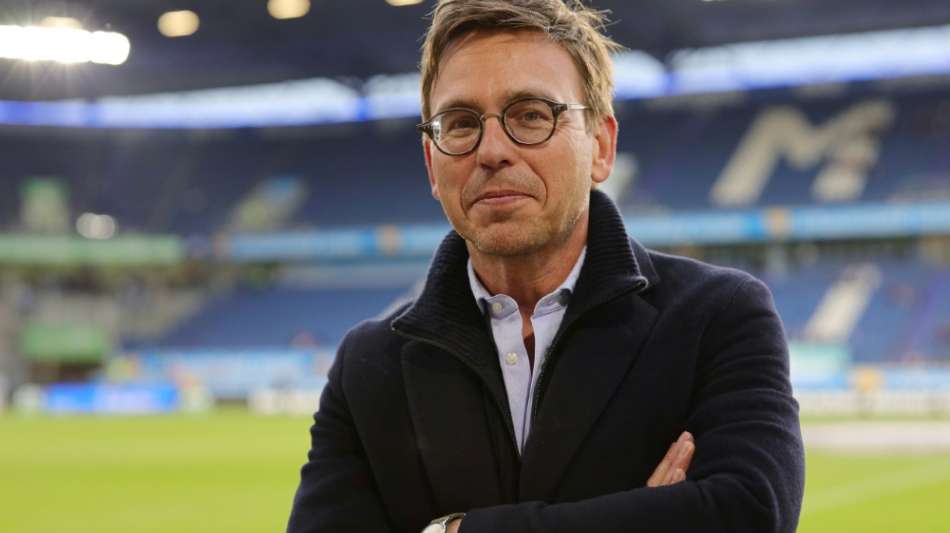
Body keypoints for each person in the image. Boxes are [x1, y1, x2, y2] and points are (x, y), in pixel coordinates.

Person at [287, 1, 805, 532]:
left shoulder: (717, 317)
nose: (492, 150)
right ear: (431, 166)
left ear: (601, 146)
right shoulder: (368, 366)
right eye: (460, 123)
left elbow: (749, 512)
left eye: (531, 115)